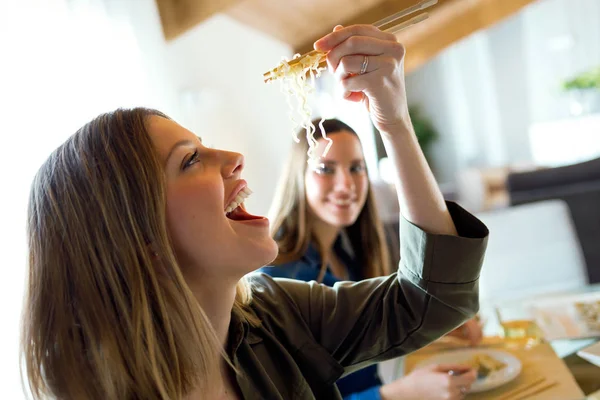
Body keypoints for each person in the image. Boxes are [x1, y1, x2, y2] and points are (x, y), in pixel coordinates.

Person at [21, 24, 488, 399]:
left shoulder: (274, 315)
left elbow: (432, 301)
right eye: (189, 160)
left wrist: (393, 117)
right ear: (135, 235)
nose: (232, 157)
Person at [262, 118, 483, 400]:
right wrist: (398, 393)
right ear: (298, 176)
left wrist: (431, 324)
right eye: (325, 169)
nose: (346, 185)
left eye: (356, 168)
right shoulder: (278, 276)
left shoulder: (345, 254)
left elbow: (358, 339)